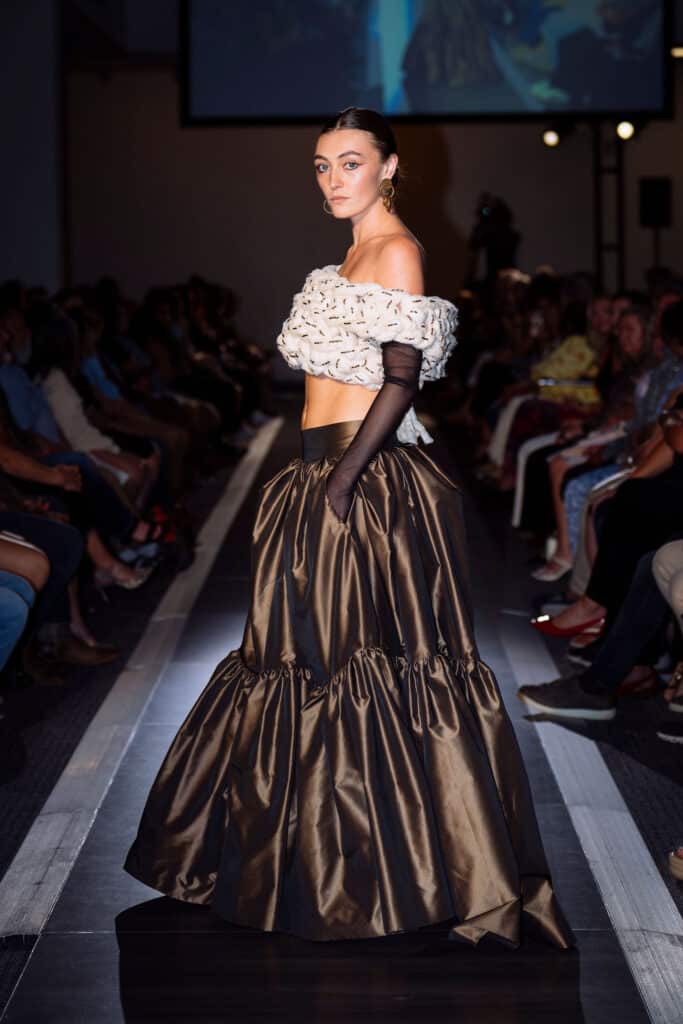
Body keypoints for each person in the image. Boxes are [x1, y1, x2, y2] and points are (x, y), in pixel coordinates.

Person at [124, 107, 573, 950]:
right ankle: (314, 862)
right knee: (302, 663)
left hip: (358, 480)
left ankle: (372, 876)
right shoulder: (353, 253)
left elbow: (400, 382)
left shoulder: (397, 250)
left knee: (350, 669)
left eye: (350, 162)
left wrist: (340, 479)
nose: (332, 178)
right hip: (325, 473)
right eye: (322, 164)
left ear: (389, 167)